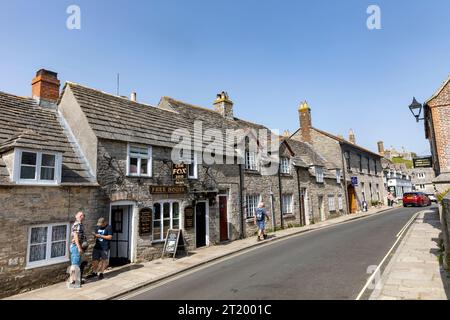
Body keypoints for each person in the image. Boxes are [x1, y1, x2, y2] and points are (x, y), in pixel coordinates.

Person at [69, 211, 87, 288]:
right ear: (76, 216)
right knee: (75, 264)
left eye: (82, 215)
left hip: (76, 246)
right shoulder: (77, 224)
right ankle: (73, 282)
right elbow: (75, 236)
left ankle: (74, 280)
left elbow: (73, 235)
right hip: (76, 247)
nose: (81, 216)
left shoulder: (79, 224)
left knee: (76, 264)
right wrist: (79, 247)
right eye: (80, 215)